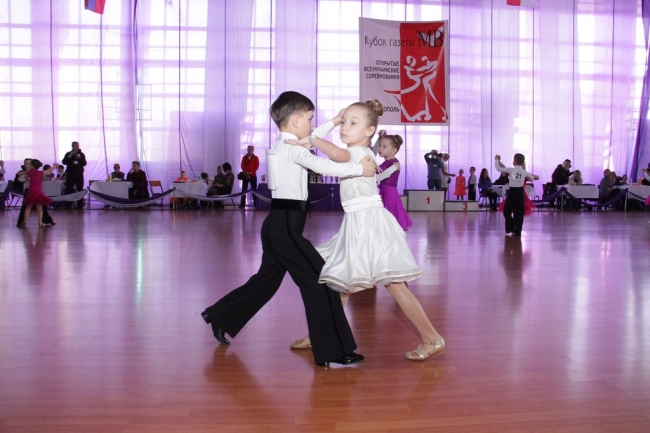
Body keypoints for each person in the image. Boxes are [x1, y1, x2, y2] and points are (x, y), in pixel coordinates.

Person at [201, 91, 376, 367]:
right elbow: (324, 166)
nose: (312, 125)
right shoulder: (293, 149)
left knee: (265, 283)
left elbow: (314, 136)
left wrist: (334, 121)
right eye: (309, 119)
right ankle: (332, 351)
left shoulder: (287, 145)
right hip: (285, 229)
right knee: (322, 282)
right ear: (295, 120)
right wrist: (360, 170)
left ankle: (219, 316)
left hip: (279, 225)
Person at [285, 99, 445, 361]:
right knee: (341, 285)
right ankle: (319, 335)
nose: (345, 127)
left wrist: (312, 137)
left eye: (353, 123)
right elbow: (333, 155)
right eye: (344, 122)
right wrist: (325, 128)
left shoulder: (359, 153)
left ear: (370, 131)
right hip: (357, 224)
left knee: (394, 286)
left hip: (369, 225)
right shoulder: (357, 152)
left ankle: (431, 338)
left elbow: (335, 154)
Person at [374, 130, 411, 231]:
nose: (380, 148)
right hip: (384, 191)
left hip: (390, 192)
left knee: (389, 211)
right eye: (380, 146)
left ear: (393, 150)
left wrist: (365, 175)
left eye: (384, 146)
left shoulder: (395, 164)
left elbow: (380, 177)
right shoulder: (385, 163)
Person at [494, 154, 538, 237]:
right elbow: (532, 178)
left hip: (512, 192)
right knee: (519, 213)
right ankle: (518, 231)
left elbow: (498, 168)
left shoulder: (511, 170)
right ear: (522, 162)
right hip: (520, 193)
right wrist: (527, 175)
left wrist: (496, 160)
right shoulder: (524, 171)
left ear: (514, 162)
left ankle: (512, 225)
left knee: (507, 211)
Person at [16, 158, 56, 227]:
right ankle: (40, 222)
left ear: (32, 165)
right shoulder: (40, 173)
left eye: (29, 164)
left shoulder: (29, 173)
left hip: (30, 191)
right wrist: (54, 166)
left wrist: (23, 174)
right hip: (38, 192)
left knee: (28, 207)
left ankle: (25, 220)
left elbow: (19, 174)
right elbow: (49, 170)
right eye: (26, 164)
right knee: (39, 208)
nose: (27, 165)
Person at [61, 141, 87, 208]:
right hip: (70, 174)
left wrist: (79, 158)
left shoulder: (81, 154)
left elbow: (84, 163)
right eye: (76, 145)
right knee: (69, 189)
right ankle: (68, 205)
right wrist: (70, 156)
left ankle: (80, 205)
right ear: (73, 146)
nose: (77, 147)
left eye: (78, 145)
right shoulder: (68, 154)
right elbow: (64, 162)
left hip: (79, 174)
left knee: (80, 189)